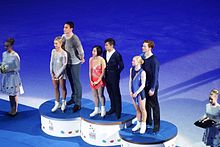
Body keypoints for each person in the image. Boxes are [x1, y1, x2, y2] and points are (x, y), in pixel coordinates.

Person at [62, 21, 85, 112]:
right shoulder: (63, 37)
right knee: (71, 81)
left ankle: (78, 103)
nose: (64, 29)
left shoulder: (75, 38)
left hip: (75, 63)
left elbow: (81, 50)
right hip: (67, 63)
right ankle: (74, 98)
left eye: (66, 27)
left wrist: (82, 58)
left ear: (71, 29)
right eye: (64, 27)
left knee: (76, 82)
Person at [0, 38, 24, 116]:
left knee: (13, 94)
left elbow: (18, 68)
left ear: (11, 46)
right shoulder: (4, 54)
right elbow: (3, 63)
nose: (6, 47)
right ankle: (12, 108)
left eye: (7, 46)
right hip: (7, 76)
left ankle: (14, 109)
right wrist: (2, 68)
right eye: (5, 46)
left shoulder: (15, 56)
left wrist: (9, 69)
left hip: (13, 77)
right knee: (10, 94)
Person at [141, 40, 160, 133]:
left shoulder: (154, 60)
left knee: (154, 105)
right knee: (146, 104)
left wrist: (152, 88)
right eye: (142, 46)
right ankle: (148, 121)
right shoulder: (142, 57)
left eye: (144, 46)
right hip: (145, 85)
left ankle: (156, 125)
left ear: (150, 48)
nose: (142, 47)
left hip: (152, 86)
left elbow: (156, 76)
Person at [103, 38, 124, 119]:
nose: (105, 47)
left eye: (106, 45)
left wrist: (116, 73)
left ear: (111, 45)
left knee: (116, 94)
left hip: (114, 77)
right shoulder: (105, 53)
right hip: (106, 76)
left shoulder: (117, 55)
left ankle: (118, 111)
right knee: (110, 92)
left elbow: (122, 66)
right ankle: (113, 108)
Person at [129, 56, 147, 134]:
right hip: (133, 93)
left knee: (142, 109)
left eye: (133, 61)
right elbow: (130, 81)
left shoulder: (142, 72)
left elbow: (143, 85)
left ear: (138, 62)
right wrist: (130, 91)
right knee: (137, 109)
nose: (132, 62)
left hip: (140, 93)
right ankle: (138, 124)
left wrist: (137, 92)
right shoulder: (131, 70)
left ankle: (143, 125)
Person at [50, 36, 68, 112]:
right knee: (55, 88)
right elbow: (51, 62)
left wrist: (58, 74)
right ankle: (57, 103)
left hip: (61, 73)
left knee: (62, 87)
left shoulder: (64, 53)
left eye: (56, 43)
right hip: (54, 73)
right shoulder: (53, 51)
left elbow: (64, 64)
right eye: (54, 43)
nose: (55, 45)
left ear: (60, 44)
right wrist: (52, 72)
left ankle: (64, 102)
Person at [89, 45, 106, 117]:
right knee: (94, 95)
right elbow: (90, 71)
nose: (92, 52)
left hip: (100, 80)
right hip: (93, 80)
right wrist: (91, 80)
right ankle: (96, 109)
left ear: (98, 52)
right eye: (92, 50)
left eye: (94, 51)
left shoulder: (102, 59)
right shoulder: (91, 59)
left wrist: (98, 80)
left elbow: (103, 72)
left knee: (100, 95)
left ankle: (103, 109)